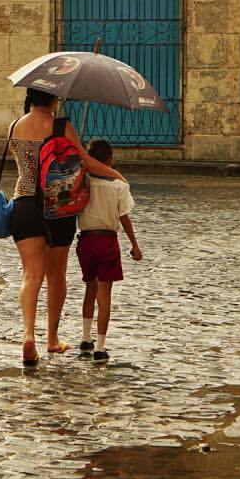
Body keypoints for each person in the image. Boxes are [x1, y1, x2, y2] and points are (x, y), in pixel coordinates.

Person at [8, 88, 125, 366]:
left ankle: (28, 336)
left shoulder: (16, 126)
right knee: (56, 274)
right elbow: (87, 162)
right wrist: (116, 174)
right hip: (57, 206)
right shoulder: (61, 125)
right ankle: (51, 338)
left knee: (30, 275)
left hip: (24, 204)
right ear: (53, 99)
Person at [76, 138, 141, 363]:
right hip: (107, 242)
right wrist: (134, 245)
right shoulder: (119, 186)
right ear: (110, 160)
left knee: (89, 289)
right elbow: (124, 218)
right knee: (105, 296)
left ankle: (86, 337)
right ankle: (101, 347)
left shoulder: (81, 182)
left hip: (86, 241)